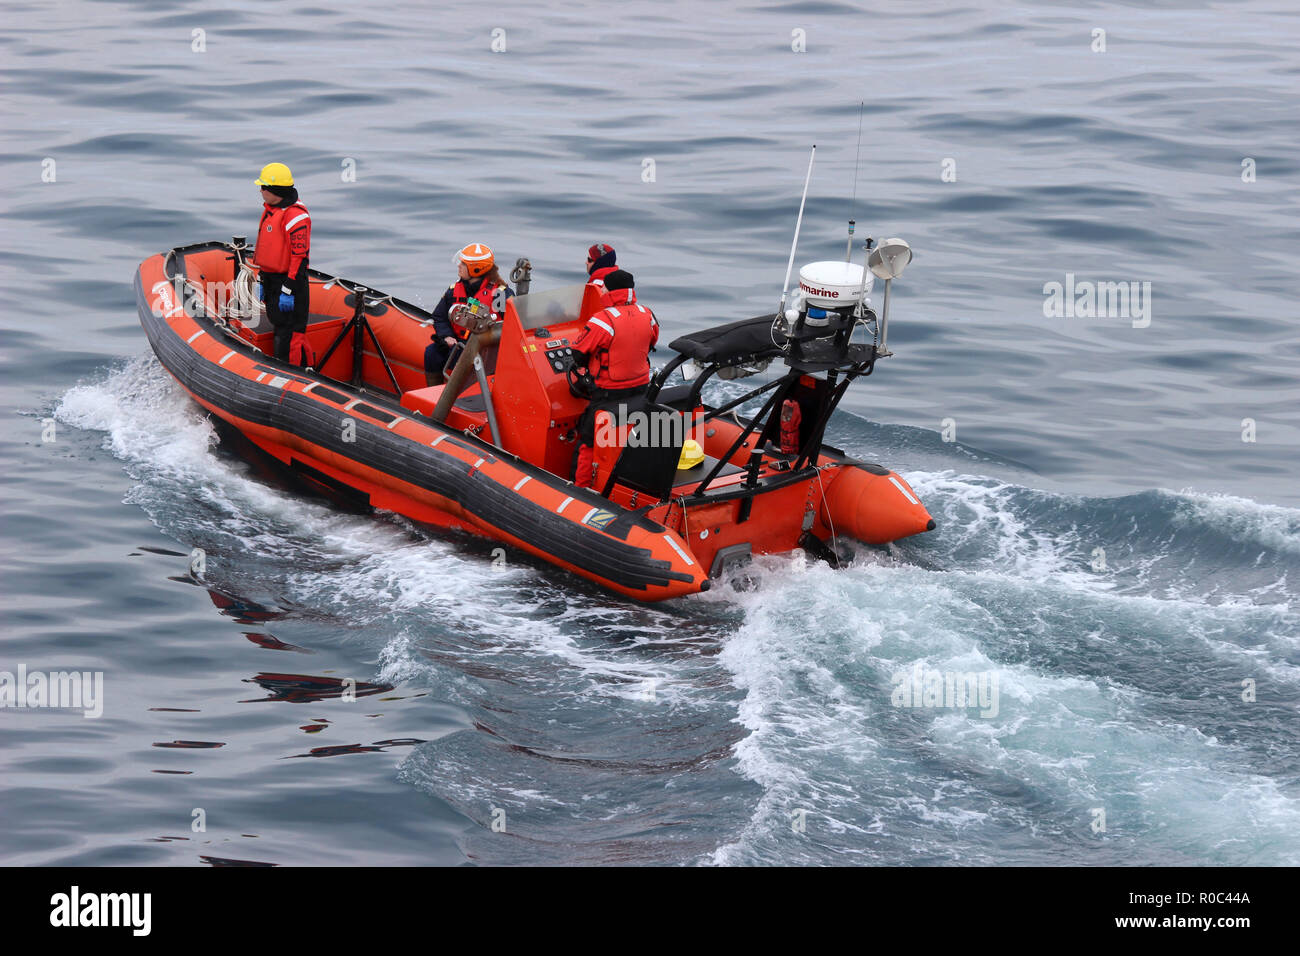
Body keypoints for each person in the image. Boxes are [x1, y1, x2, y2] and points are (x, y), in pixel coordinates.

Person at [569, 269, 659, 488]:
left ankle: (580, 489)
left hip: (607, 394)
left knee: (588, 442)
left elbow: (578, 354)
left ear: (608, 290)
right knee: (631, 439)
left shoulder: (603, 320)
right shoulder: (648, 314)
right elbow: (652, 341)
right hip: (640, 390)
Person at [424, 243, 514, 387]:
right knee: (432, 352)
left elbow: (511, 324)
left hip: (486, 349)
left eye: (463, 264)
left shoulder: (500, 294)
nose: (459, 265)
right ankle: (434, 392)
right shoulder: (454, 290)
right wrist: (447, 336)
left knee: (463, 359)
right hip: (459, 343)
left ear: (476, 269)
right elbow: (439, 317)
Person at [251, 162, 313, 366]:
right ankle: (281, 367)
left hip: (290, 284)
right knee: (279, 327)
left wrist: (288, 289)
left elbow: (299, 257)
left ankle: (297, 375)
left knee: (290, 334)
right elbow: (268, 250)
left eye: (263, 187)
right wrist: (262, 279)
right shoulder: (272, 210)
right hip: (272, 280)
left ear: (275, 190)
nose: (260, 191)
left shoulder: (295, 216)